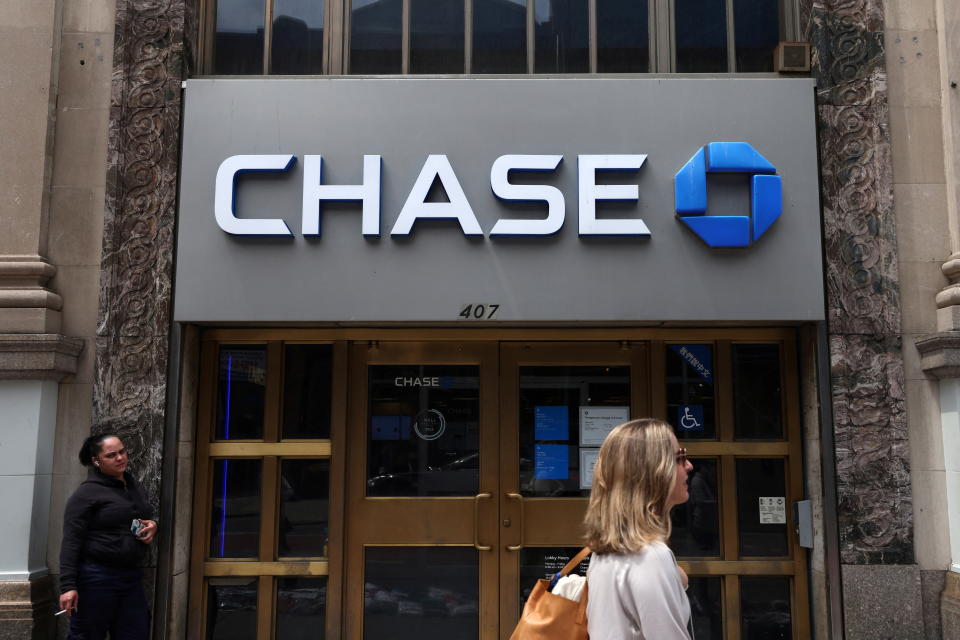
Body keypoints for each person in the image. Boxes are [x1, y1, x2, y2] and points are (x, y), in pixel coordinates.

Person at [583, 418, 695, 639]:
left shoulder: (605, 553)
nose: (689, 465)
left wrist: (673, 579)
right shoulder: (651, 557)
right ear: (652, 472)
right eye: (679, 457)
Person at [58, 434, 157, 639]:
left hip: (130, 576)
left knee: (136, 633)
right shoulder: (86, 494)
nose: (120, 458)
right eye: (111, 455)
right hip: (96, 578)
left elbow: (137, 517)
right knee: (86, 635)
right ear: (96, 460)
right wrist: (68, 587)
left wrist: (153, 525)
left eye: (122, 452)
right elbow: (71, 541)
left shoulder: (132, 485)